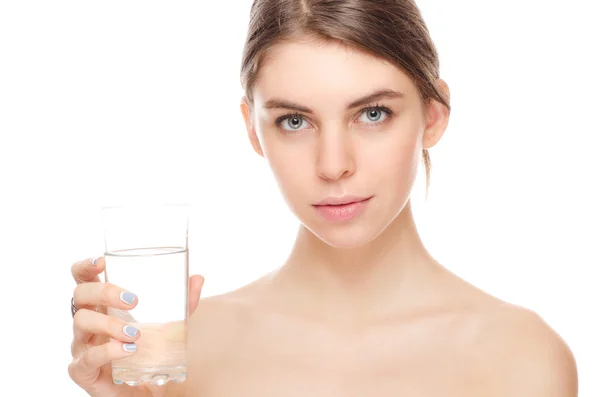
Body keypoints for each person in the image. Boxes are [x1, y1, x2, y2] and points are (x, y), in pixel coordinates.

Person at [68, 0, 578, 396]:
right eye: (295, 121)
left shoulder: (523, 358)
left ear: (434, 114)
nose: (334, 164)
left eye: (373, 113)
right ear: (253, 130)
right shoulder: (179, 354)